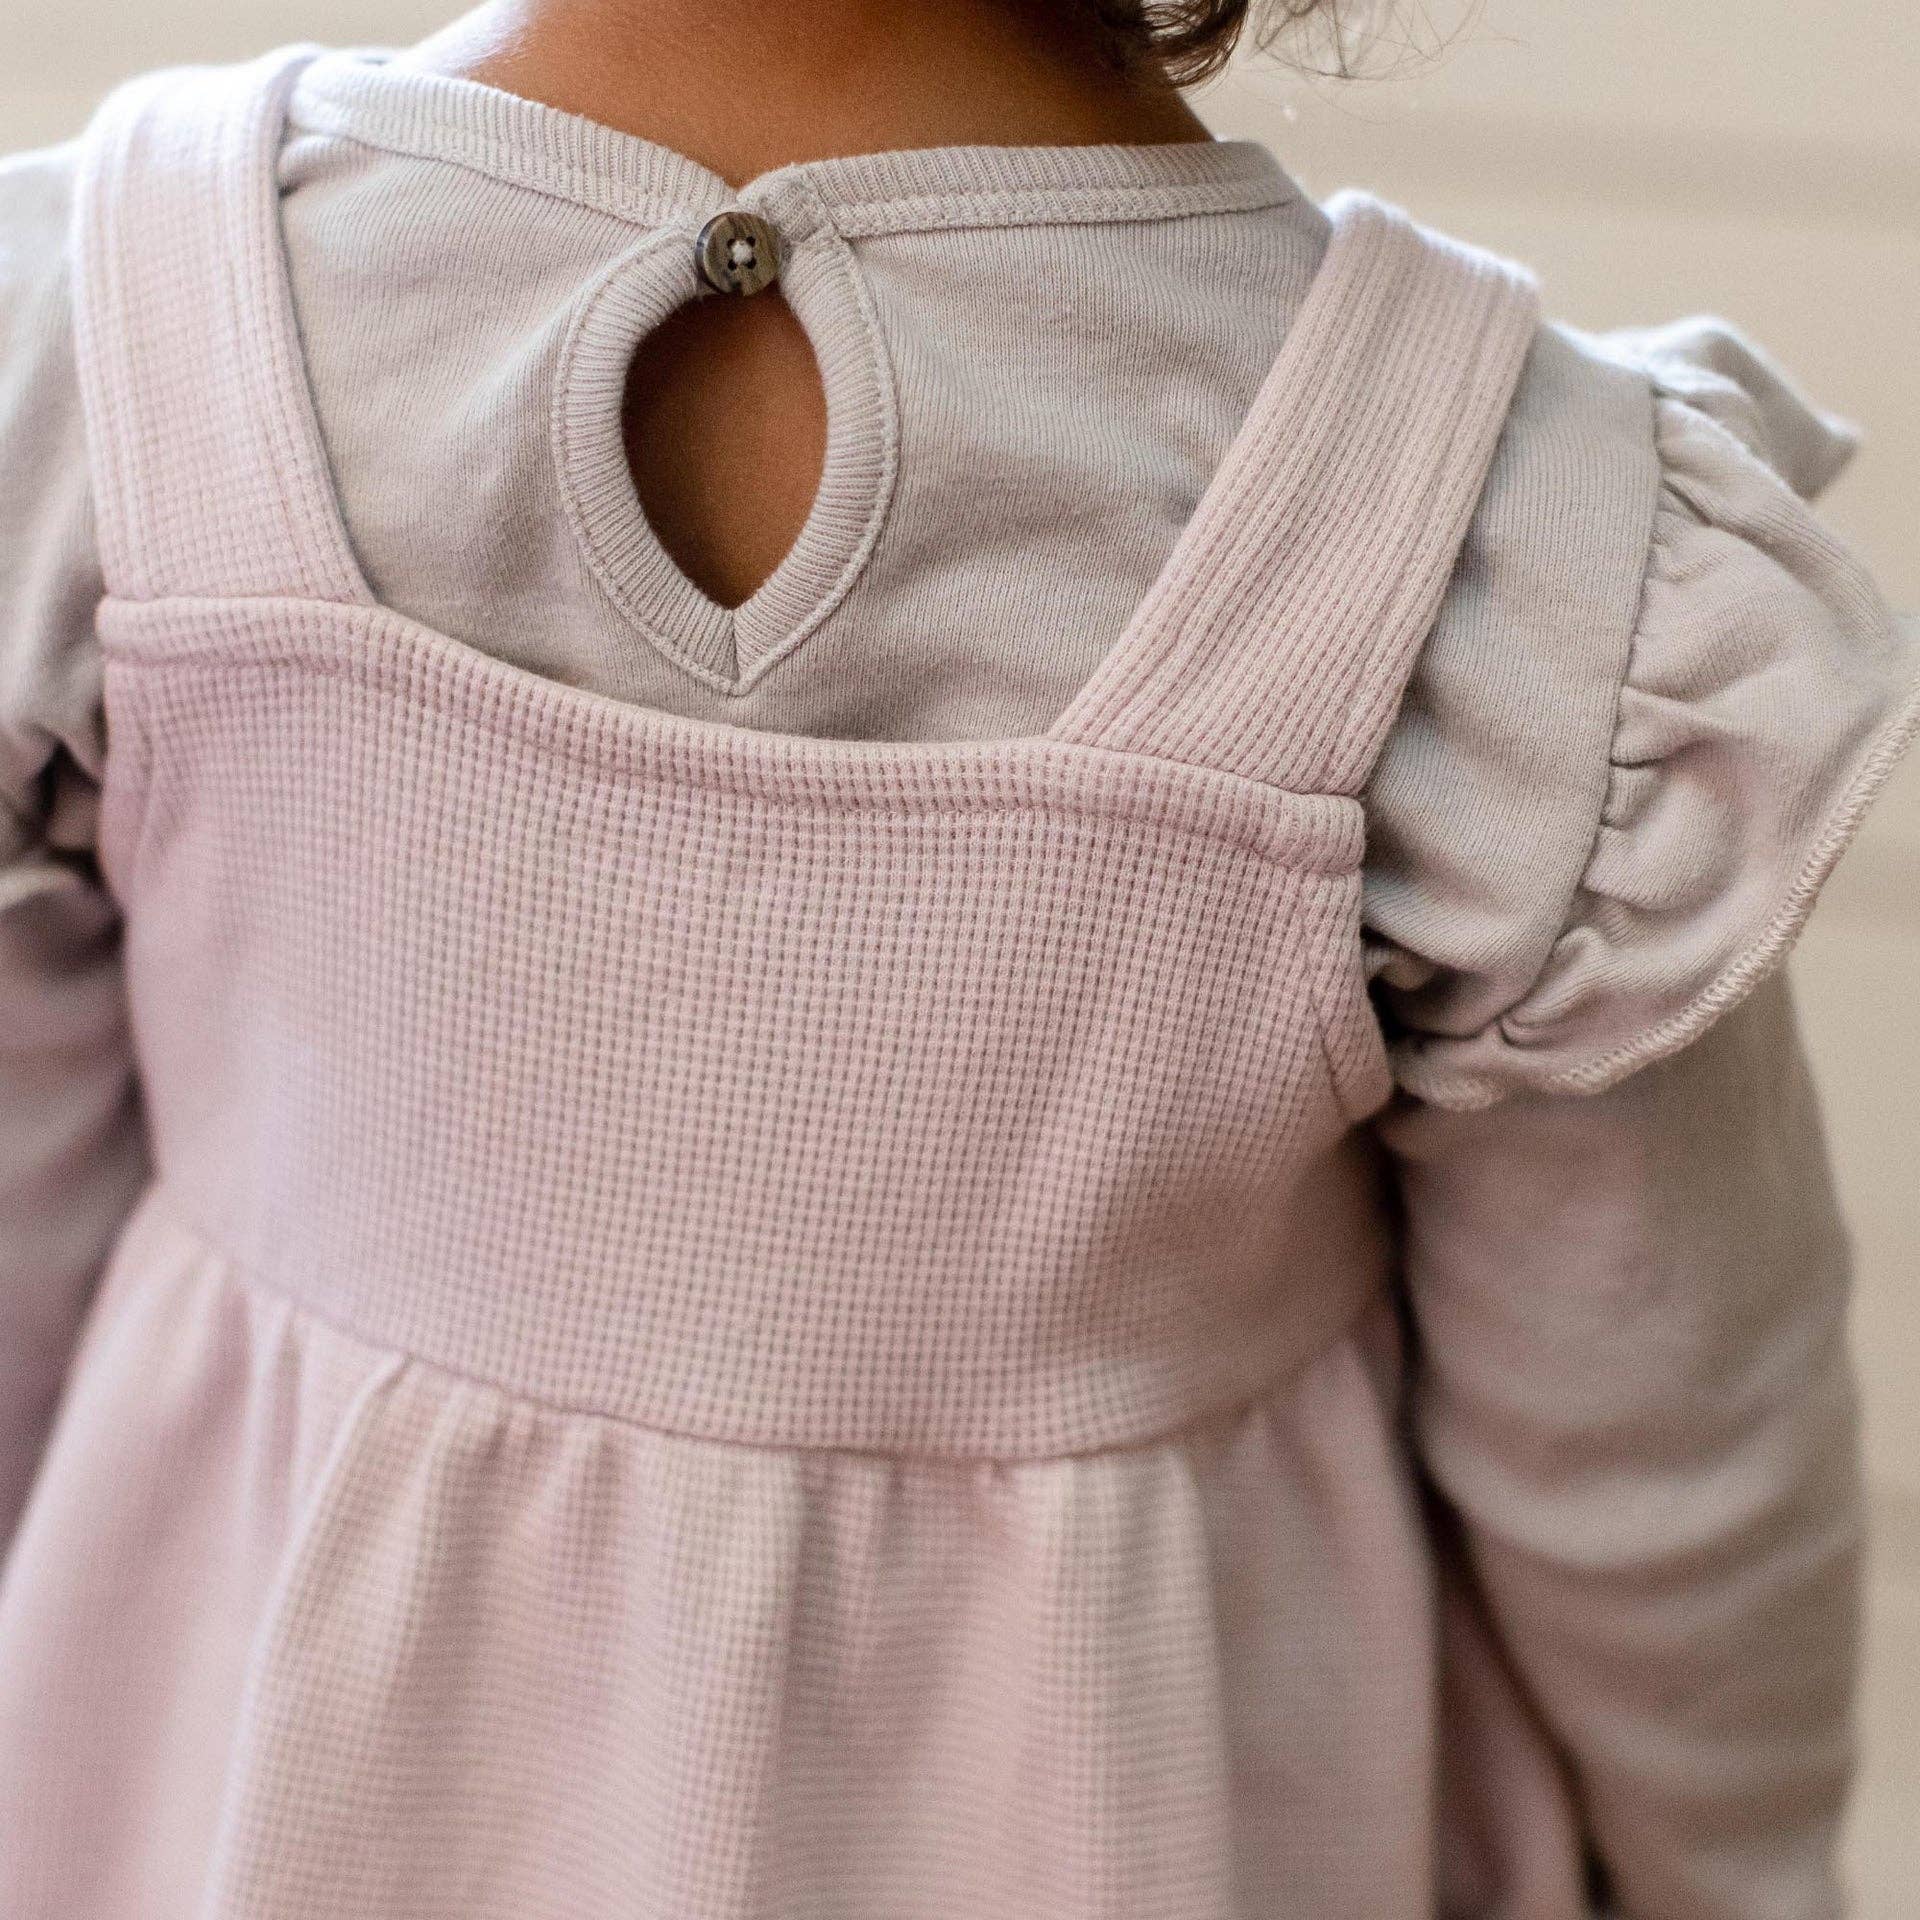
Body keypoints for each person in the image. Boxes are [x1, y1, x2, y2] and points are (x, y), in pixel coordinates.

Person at [0, 2, 1912, 1914]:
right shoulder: (1513, 552)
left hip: (242, 1779)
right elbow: (1664, 1490)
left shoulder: (112, 335)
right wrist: (1731, 1877)